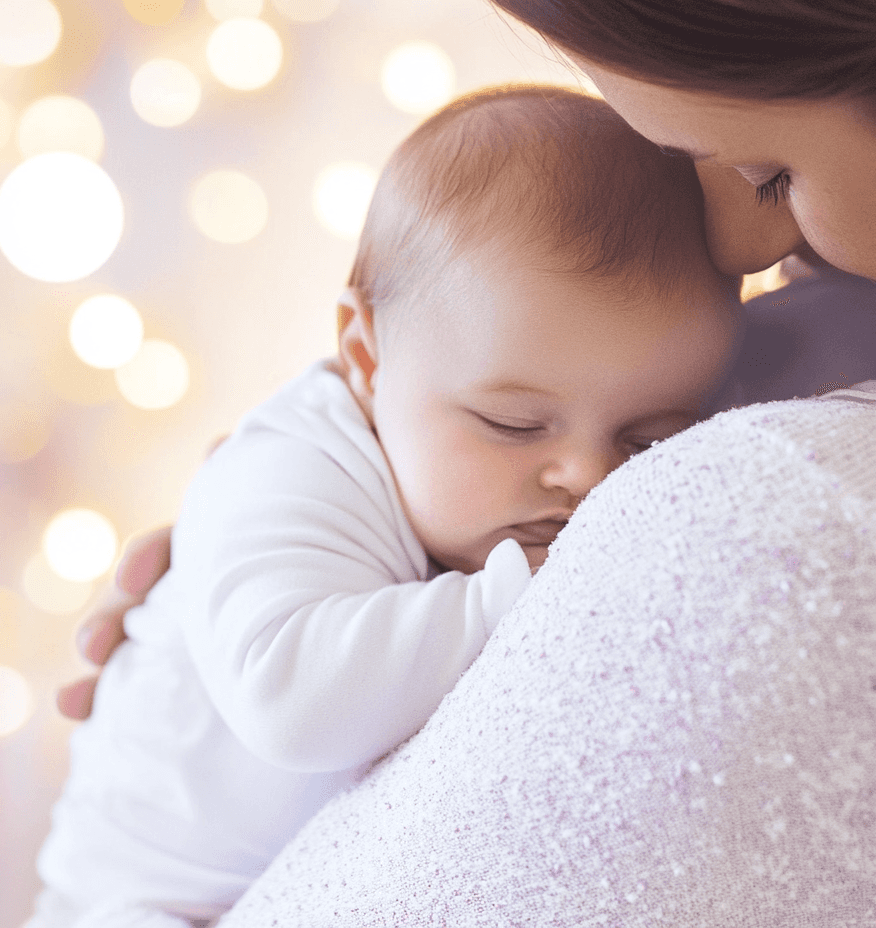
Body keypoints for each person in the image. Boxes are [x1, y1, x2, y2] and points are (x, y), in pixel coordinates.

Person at [53, 0, 876, 922]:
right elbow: (291, 697)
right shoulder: (299, 467)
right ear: (364, 361)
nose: (587, 478)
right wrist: (522, 590)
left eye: (647, 440)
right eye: (513, 424)